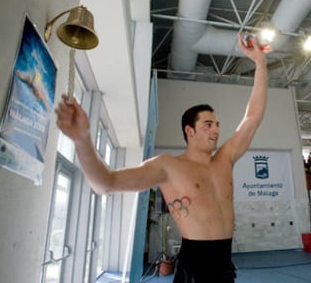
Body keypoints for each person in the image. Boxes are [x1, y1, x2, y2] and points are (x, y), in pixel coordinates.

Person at [55, 32, 268, 283]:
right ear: (189, 130)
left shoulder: (225, 158)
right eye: (208, 124)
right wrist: (83, 140)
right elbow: (106, 183)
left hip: (224, 265)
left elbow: (252, 117)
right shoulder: (168, 166)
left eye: (218, 124)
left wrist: (260, 63)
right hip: (194, 268)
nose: (217, 130)